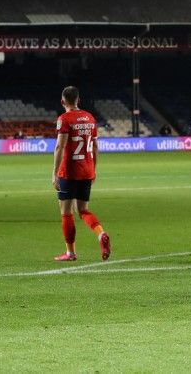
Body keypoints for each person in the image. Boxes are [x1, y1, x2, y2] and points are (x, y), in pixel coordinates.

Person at [51, 86, 111, 261]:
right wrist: (94, 169)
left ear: (63, 101)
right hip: (87, 169)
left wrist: (54, 173)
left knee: (66, 211)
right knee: (83, 209)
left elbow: (60, 147)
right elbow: (96, 146)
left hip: (68, 172)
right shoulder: (90, 118)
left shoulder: (64, 119)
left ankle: (70, 252)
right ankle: (101, 234)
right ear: (79, 100)